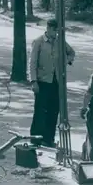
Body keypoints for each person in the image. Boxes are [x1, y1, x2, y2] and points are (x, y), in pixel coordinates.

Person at [29, 19, 75, 147]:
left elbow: (71, 53)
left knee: (54, 110)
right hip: (43, 81)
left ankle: (49, 139)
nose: (56, 33)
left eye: (58, 30)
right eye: (54, 30)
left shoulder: (60, 42)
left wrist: (66, 60)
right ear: (48, 28)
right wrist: (33, 81)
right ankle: (36, 138)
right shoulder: (39, 42)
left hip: (56, 82)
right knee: (40, 110)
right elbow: (32, 63)